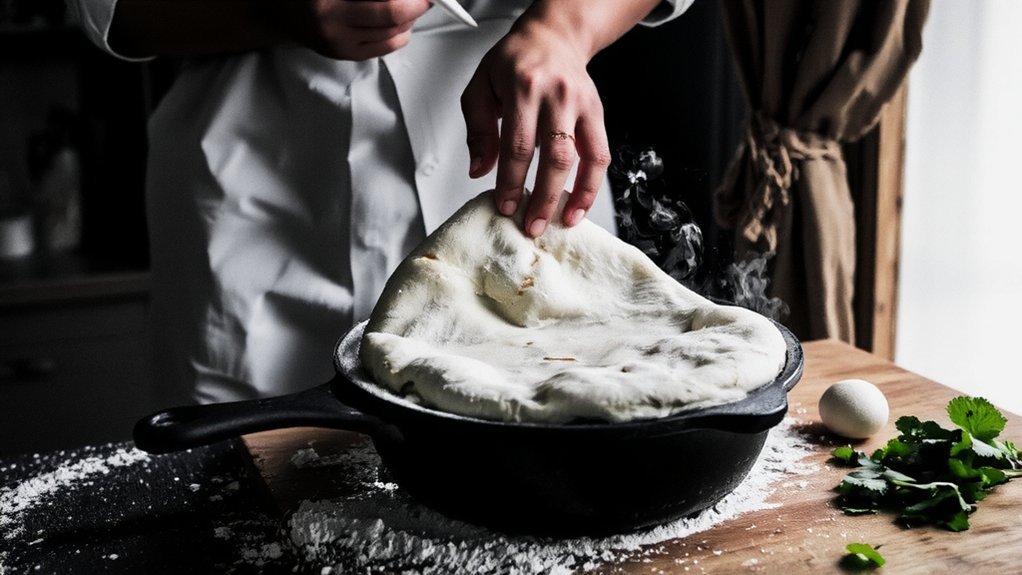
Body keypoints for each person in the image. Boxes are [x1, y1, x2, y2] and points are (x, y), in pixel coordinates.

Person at [67, 0, 693, 406]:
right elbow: (106, 9)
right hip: (258, 204)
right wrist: (273, 10)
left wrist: (565, 30)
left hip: (522, 145)